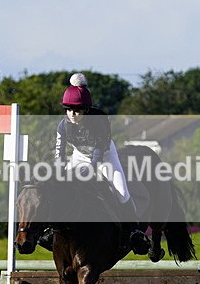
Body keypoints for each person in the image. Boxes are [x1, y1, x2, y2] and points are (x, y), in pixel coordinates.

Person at [37, 73, 151, 256]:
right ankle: (50, 229)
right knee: (60, 187)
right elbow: (59, 150)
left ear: (86, 110)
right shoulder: (63, 125)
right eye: (68, 110)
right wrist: (59, 170)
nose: (72, 115)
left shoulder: (99, 121)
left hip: (105, 156)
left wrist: (90, 169)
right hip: (79, 155)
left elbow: (99, 150)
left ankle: (134, 232)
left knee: (121, 192)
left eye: (77, 110)